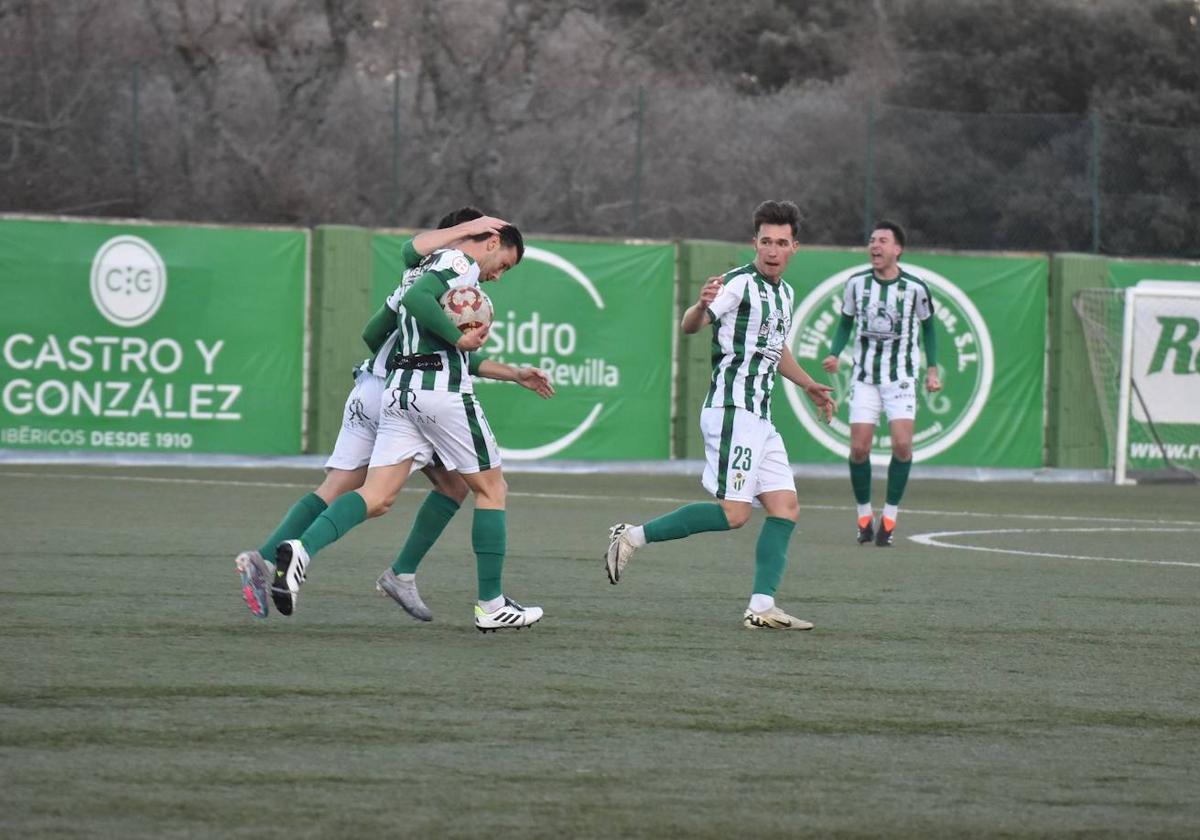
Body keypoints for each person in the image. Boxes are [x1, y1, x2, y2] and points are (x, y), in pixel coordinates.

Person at [236, 210, 553, 621]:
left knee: (369, 491)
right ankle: (487, 602)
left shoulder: (418, 269)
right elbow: (429, 315)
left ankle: (282, 555)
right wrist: (456, 336)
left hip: (383, 385)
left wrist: (503, 369)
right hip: (423, 390)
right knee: (487, 488)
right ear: (485, 238)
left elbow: (375, 331)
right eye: (505, 265)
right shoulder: (458, 265)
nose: (499, 275)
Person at [604, 200, 836, 630]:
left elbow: (775, 348)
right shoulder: (736, 284)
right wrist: (698, 305)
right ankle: (631, 536)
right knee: (735, 514)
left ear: (794, 247)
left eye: (781, 243)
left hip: (761, 418)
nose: (772, 250)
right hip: (733, 410)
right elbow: (693, 324)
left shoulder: (785, 294)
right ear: (755, 242)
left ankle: (762, 607)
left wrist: (807, 384)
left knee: (785, 507)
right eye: (765, 241)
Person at [820, 220, 941, 547]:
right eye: (872, 240)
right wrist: (834, 353)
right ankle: (863, 517)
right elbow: (845, 322)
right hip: (864, 378)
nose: (875, 246)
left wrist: (932, 370)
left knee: (902, 446)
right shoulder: (856, 284)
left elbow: (929, 328)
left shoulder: (915, 287)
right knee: (859, 449)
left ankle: (889, 517)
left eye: (882, 241)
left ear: (897, 249)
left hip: (900, 377)